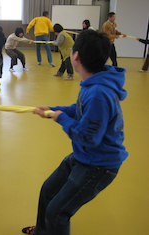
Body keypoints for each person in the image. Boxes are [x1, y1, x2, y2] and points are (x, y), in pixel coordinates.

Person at [22, 30, 129, 235]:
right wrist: (54, 110)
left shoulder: (98, 92)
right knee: (48, 190)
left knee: (57, 212)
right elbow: (80, 110)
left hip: (99, 164)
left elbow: (88, 137)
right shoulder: (92, 81)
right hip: (85, 155)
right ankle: (43, 231)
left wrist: (60, 118)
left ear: (76, 56)